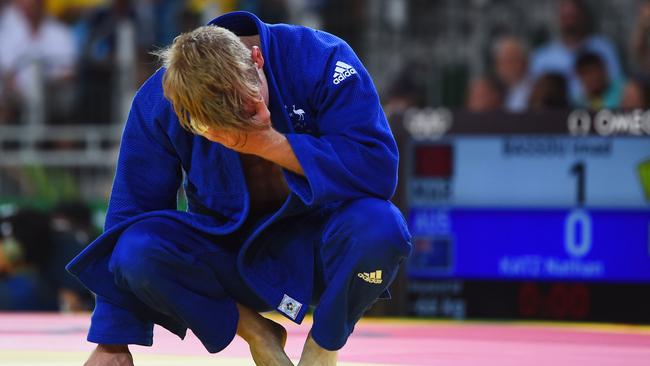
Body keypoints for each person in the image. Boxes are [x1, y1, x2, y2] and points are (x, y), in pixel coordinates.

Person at [67, 11, 411, 366]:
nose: (240, 130)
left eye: (248, 107)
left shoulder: (321, 59)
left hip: (319, 246)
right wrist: (113, 342)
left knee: (381, 227)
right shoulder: (160, 100)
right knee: (134, 250)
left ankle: (324, 344)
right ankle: (256, 331)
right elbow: (131, 210)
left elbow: (378, 170)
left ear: (256, 60)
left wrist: (265, 143)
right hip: (228, 256)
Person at [530, 0, 622, 100]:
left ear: (583, 17)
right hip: (555, 113)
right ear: (557, 18)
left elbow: (617, 87)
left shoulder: (603, 48)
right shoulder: (542, 57)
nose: (570, 22)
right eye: (566, 17)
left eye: (573, 16)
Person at [493, 36, 532, 112]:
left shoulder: (533, 92)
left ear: (525, 62)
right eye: (502, 61)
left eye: (511, 60)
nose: (506, 67)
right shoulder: (503, 92)